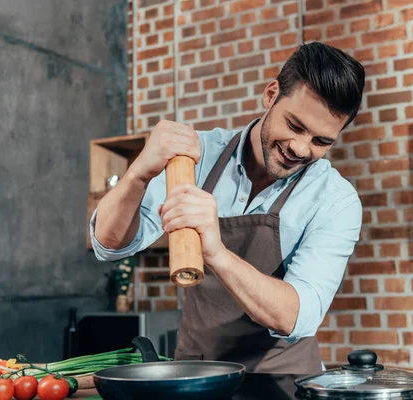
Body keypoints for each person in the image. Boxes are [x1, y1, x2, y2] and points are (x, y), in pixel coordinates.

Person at [90, 42, 365, 374]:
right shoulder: (195, 156)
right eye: (294, 125)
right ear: (270, 95)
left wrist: (216, 251)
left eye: (321, 141)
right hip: (198, 374)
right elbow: (108, 245)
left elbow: (296, 316)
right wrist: (139, 173)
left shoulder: (335, 200)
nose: (300, 148)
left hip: (281, 381)